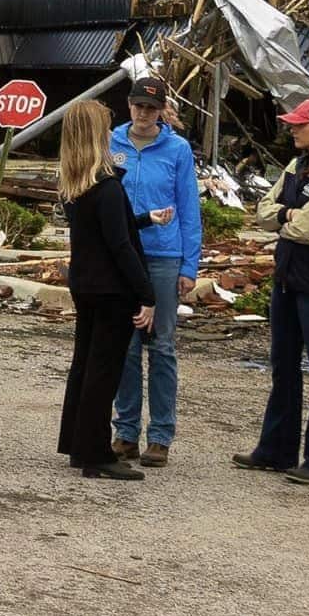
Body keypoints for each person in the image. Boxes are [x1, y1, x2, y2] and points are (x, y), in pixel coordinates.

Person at [233, 97, 309, 485]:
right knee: (284, 367)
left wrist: (284, 216)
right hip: (289, 280)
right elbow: (260, 210)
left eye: (299, 124)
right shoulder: (296, 166)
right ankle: (276, 449)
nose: (291, 129)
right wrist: (287, 216)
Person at [56, 99, 155, 481]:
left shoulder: (75, 187)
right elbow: (120, 245)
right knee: (103, 370)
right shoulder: (108, 187)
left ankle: (77, 442)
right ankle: (96, 451)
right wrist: (147, 294)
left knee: (84, 365)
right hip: (113, 289)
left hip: (85, 283)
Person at [109, 76, 201, 467]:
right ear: (128, 106)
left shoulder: (177, 149)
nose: (144, 114)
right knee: (125, 347)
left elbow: (188, 207)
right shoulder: (111, 143)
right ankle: (126, 431)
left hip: (163, 255)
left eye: (151, 107)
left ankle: (160, 435)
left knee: (161, 345)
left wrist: (190, 265)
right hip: (122, 254)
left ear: (161, 109)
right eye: (138, 106)